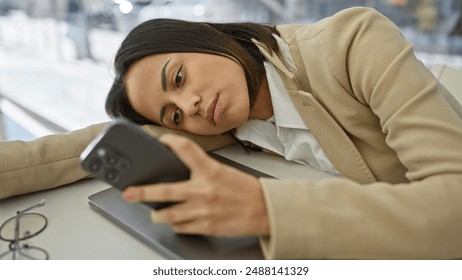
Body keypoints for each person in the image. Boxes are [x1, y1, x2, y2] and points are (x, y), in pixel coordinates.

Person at [1, 7, 462, 259]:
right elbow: (70, 149)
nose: (191, 107)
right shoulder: (227, 120)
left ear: (203, 35)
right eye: (173, 116)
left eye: (178, 78)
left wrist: (264, 209)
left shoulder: (352, 41)